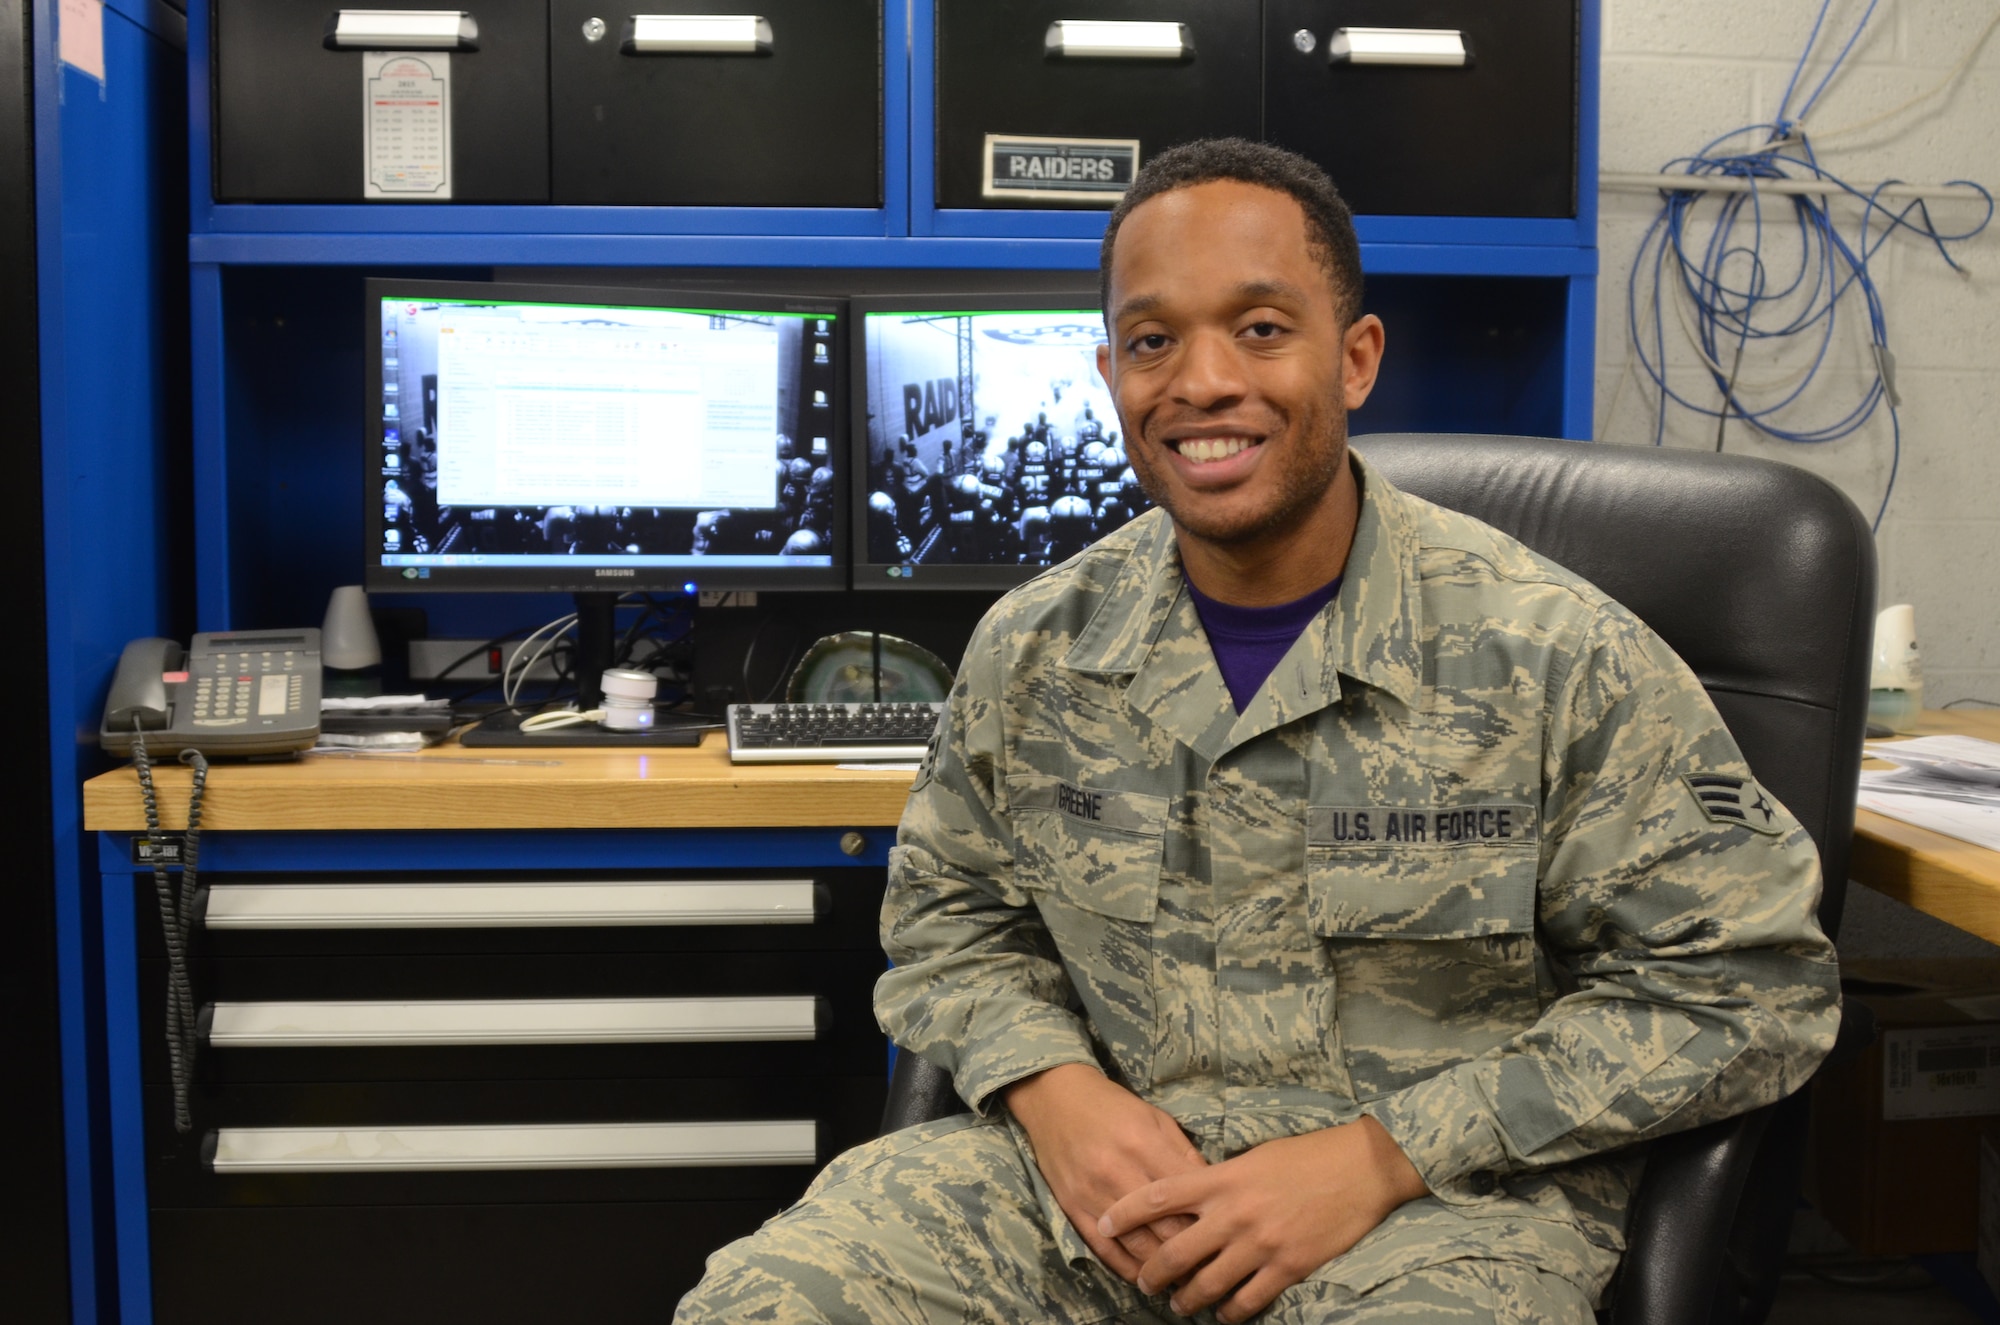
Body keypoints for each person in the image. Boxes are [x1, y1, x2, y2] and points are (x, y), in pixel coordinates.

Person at [674, 139, 1839, 1325]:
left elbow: (1746, 984)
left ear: (1356, 359)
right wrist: (1054, 1087)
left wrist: (1383, 1152)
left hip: (1428, 1214)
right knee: (765, 1304)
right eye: (1151, 340)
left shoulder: (1553, 651)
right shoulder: (1034, 648)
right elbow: (949, 920)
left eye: (1262, 329)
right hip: (1089, 1196)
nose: (1201, 381)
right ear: (1108, 371)